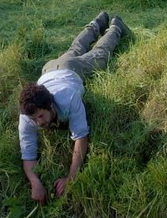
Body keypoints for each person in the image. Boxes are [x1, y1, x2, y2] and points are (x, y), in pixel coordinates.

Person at [18, 11, 131, 205]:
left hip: (70, 69)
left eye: (41, 116)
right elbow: (28, 153)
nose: (39, 123)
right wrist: (34, 182)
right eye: (35, 119)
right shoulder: (27, 116)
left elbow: (81, 137)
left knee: (100, 55)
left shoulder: (68, 98)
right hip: (49, 69)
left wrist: (71, 176)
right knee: (76, 47)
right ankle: (97, 22)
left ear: (50, 104)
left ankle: (116, 26)